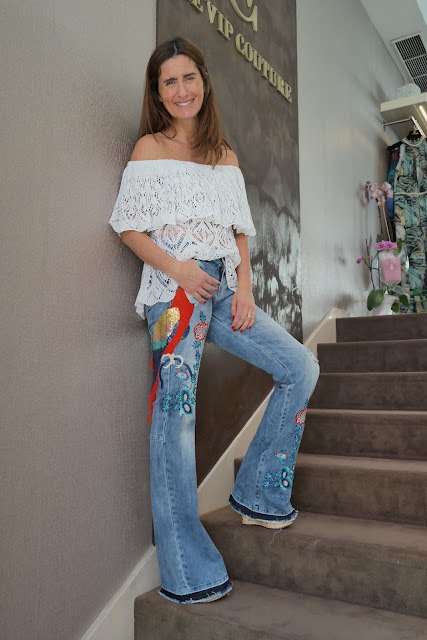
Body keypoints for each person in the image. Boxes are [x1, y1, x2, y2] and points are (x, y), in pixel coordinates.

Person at [109, 36, 319, 605]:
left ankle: (259, 493)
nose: (182, 90)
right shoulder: (149, 148)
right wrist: (178, 269)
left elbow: (238, 231)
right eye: (169, 81)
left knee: (300, 366)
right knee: (174, 419)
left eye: (189, 78)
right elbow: (127, 227)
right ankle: (186, 569)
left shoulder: (223, 155)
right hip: (174, 291)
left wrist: (244, 288)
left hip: (222, 288)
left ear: (204, 82)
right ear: (157, 92)